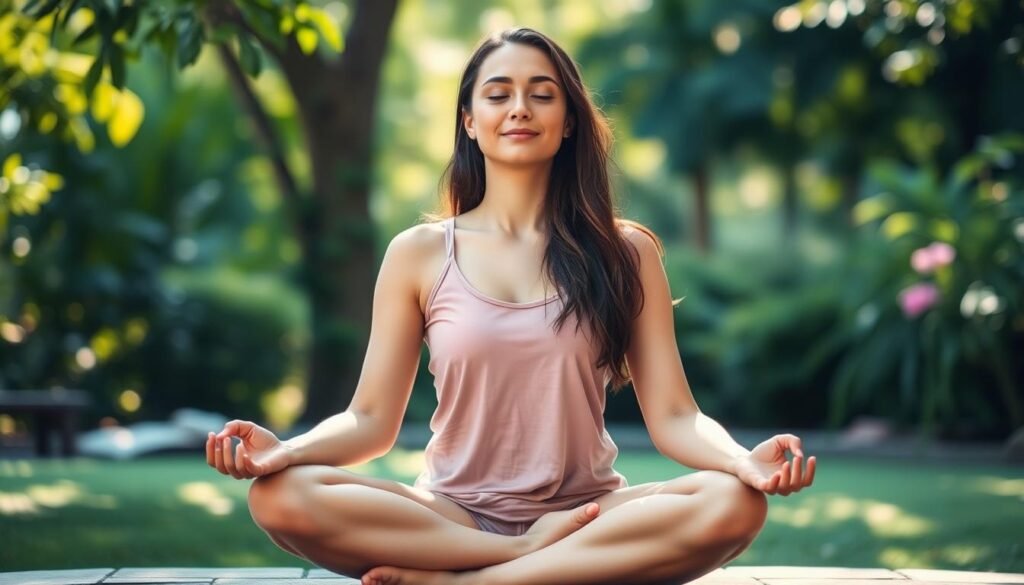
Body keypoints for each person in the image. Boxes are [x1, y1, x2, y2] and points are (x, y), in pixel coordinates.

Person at [205, 26, 816, 585]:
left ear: (569, 120)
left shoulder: (626, 253)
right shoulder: (418, 253)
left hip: (590, 514)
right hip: (451, 516)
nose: (519, 107)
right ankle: (524, 563)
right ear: (469, 119)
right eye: (498, 94)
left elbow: (677, 417)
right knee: (279, 497)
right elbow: (368, 421)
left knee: (735, 503)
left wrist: (743, 462)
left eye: (541, 94)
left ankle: (474, 584)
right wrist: (290, 450)